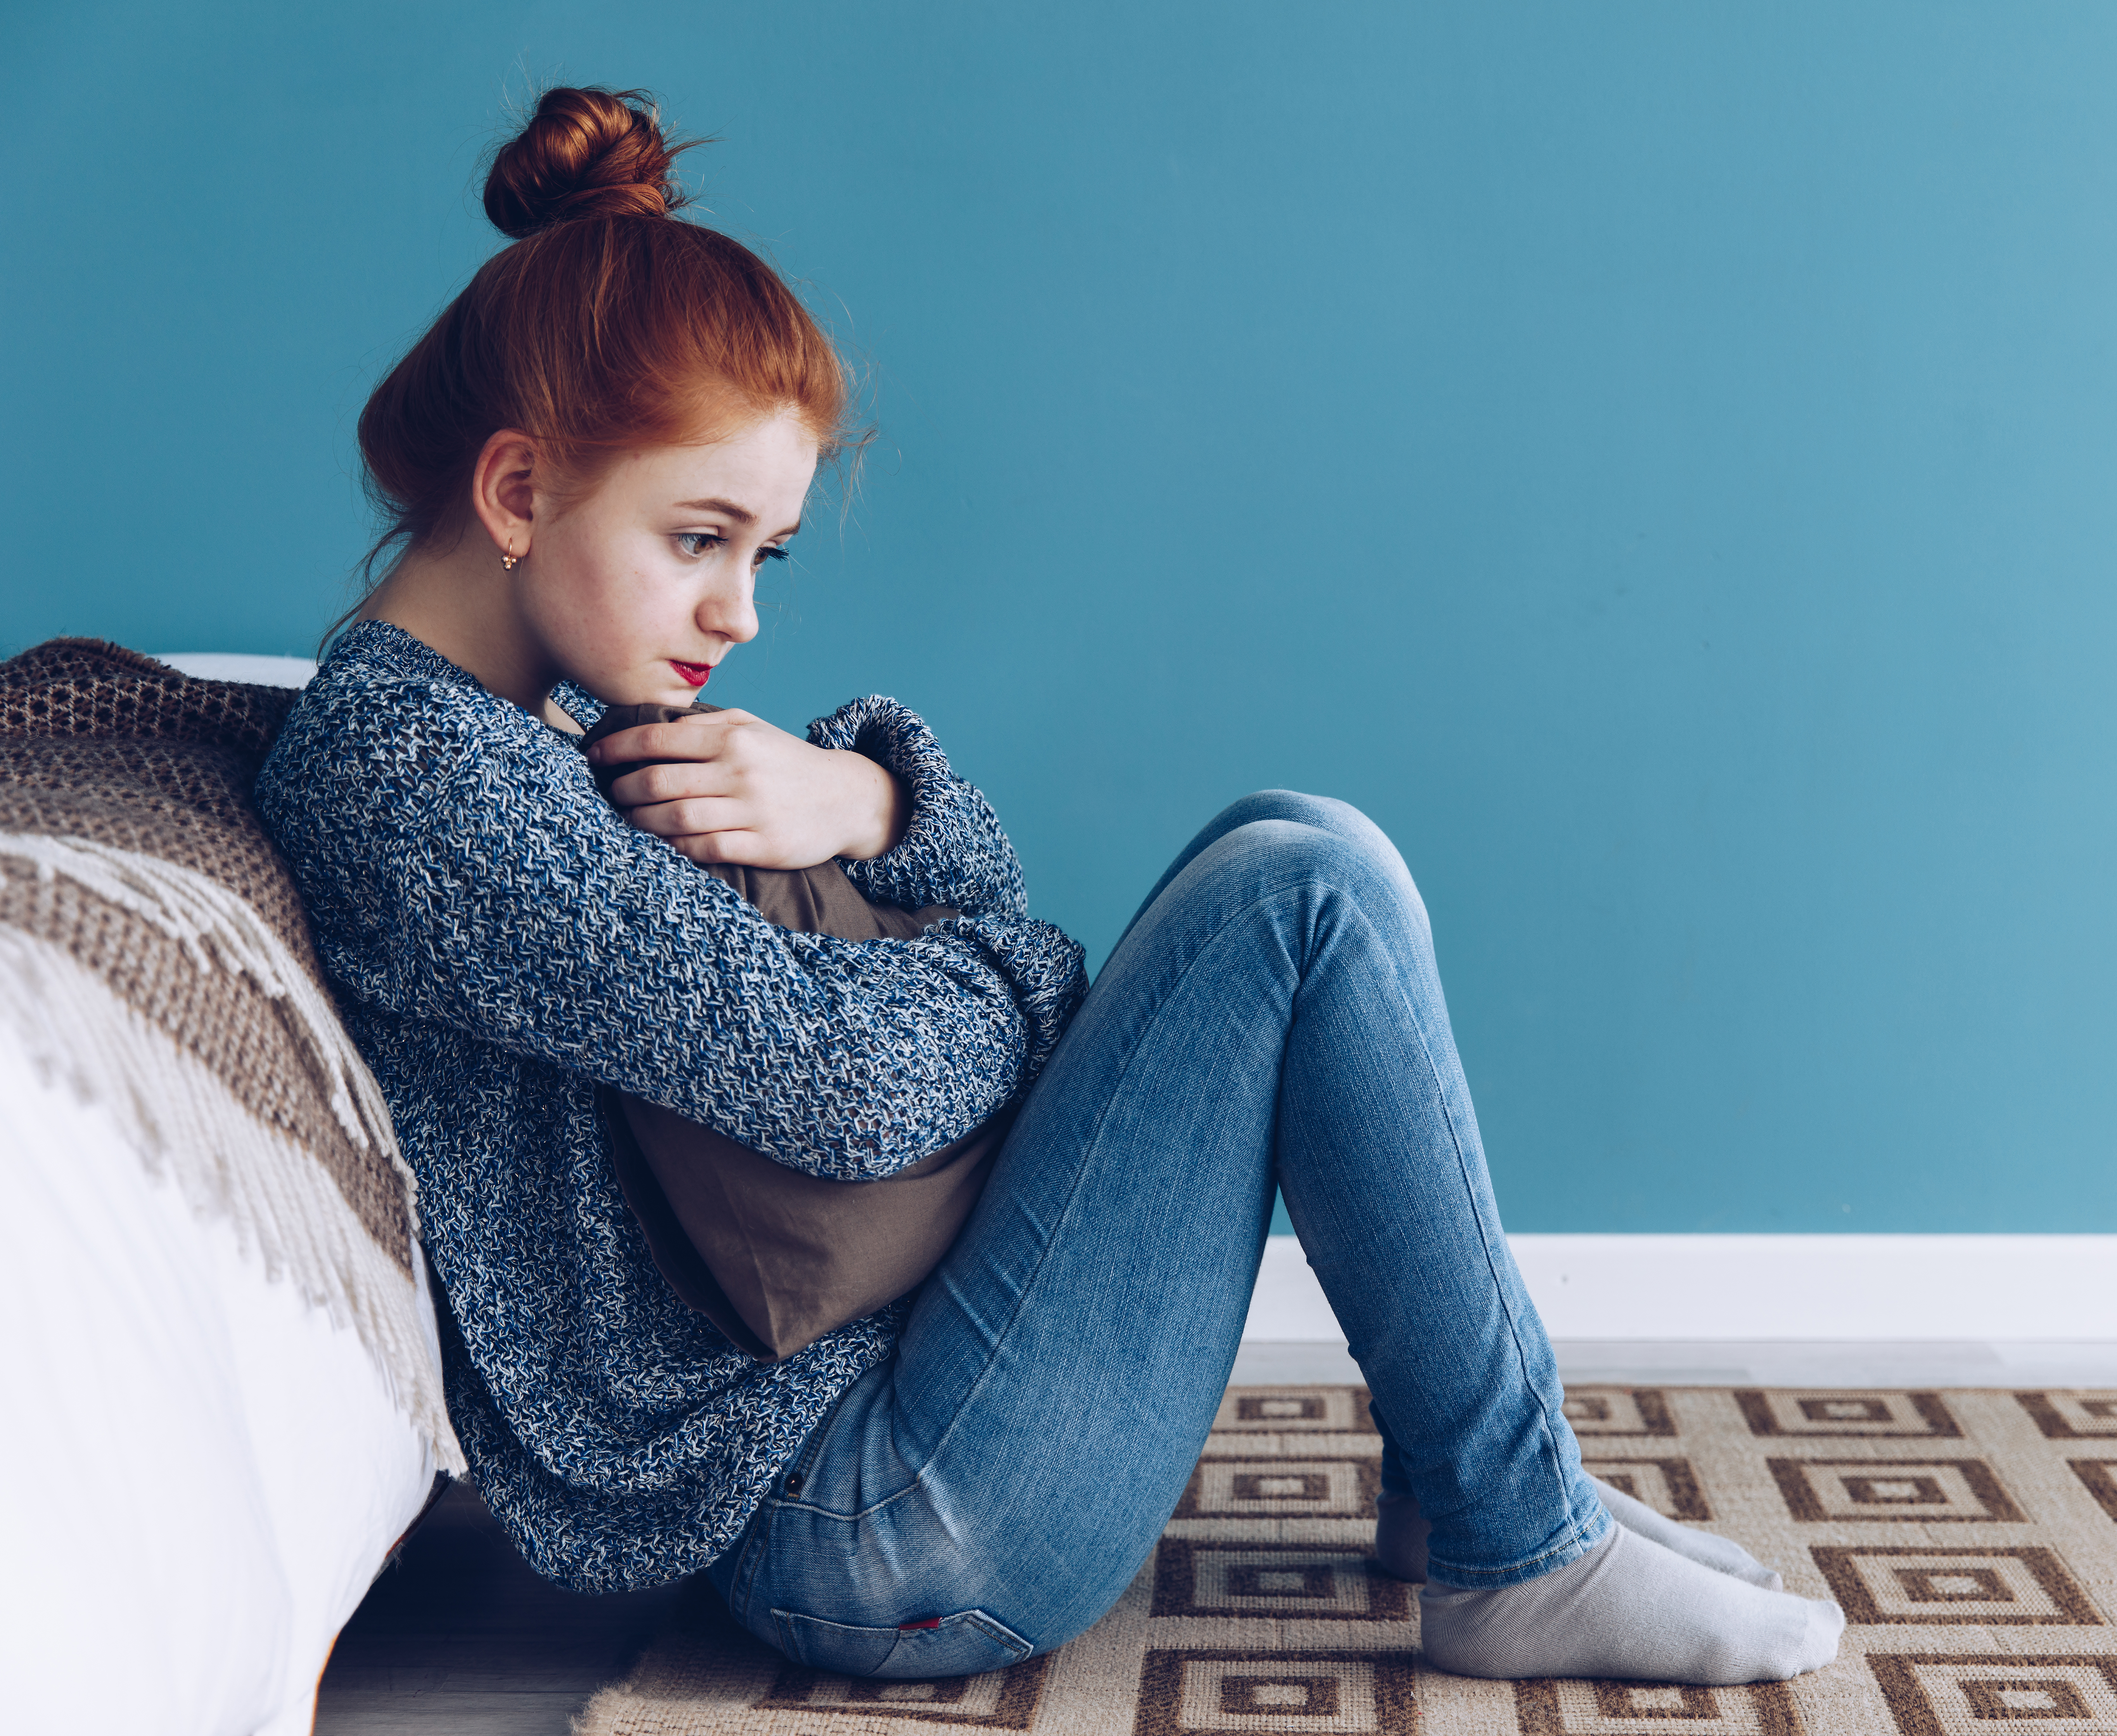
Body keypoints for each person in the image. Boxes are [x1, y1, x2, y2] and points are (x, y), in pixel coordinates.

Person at [255, 86, 1845, 1686]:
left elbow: (955, 896)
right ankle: (1515, 1540)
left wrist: (861, 797)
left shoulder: (561, 720)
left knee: (1283, 837)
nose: (739, 610)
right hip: (853, 1523)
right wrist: (1037, 981)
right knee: (1299, 892)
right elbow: (852, 1088)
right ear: (521, 494)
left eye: (767, 553)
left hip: (898, 1394)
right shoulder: (418, 783)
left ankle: (1476, 1490)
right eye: (700, 538)